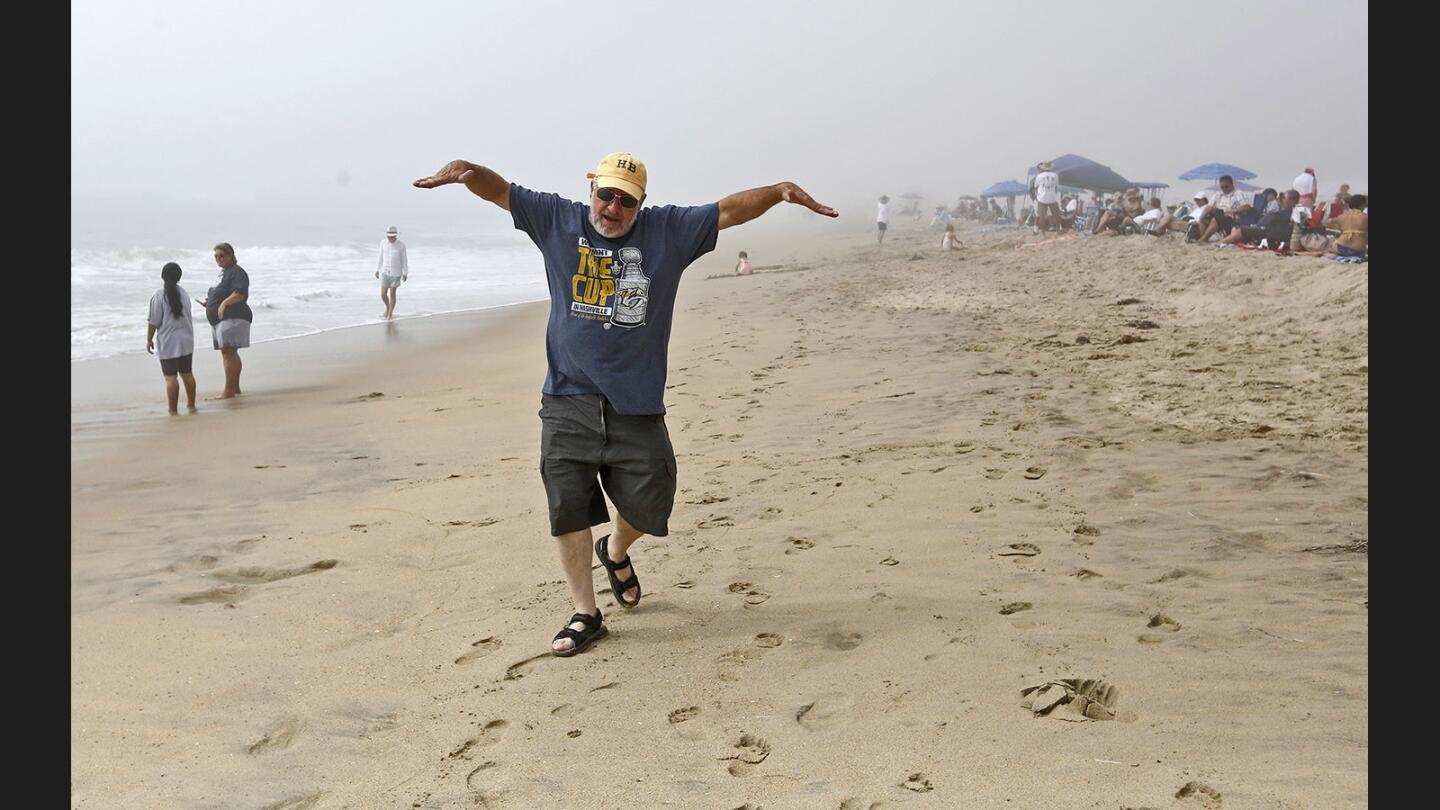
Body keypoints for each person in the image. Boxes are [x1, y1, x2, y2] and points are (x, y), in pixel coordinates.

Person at [413, 152, 838, 657]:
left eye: (626, 199)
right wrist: (465, 171)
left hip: (635, 400)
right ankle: (585, 613)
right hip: (567, 395)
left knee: (651, 501)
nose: (612, 207)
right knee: (567, 507)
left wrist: (779, 190)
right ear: (591, 188)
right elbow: (499, 190)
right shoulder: (557, 219)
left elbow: (726, 211)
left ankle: (615, 551)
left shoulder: (667, 232)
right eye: (605, 194)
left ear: (641, 203)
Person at [200, 242, 252, 400]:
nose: (219, 259)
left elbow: (240, 293)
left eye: (222, 255)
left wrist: (223, 303)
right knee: (229, 352)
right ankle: (234, 388)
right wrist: (210, 303)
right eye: (216, 256)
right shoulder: (224, 273)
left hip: (233, 316)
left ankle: (229, 391)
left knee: (229, 352)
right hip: (221, 319)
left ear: (231, 255)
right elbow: (222, 292)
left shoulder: (237, 272)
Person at [146, 262, 197, 415]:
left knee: (170, 378)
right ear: (179, 277)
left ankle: (173, 410)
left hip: (169, 341)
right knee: (187, 374)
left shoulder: (158, 295)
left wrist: (149, 339)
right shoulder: (184, 293)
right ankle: (191, 405)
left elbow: (154, 321)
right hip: (186, 339)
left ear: (162, 276)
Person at [1192, 176, 1250, 243]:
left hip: (1231, 218)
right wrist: (1202, 216)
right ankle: (1205, 240)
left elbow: (1246, 207)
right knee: (1203, 219)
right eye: (1222, 187)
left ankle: (1203, 239)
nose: (1224, 189)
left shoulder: (1239, 194)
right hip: (1218, 214)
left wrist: (1233, 211)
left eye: (1226, 186)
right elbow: (1209, 206)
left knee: (1216, 219)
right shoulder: (1218, 195)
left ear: (1232, 185)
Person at [375, 225, 409, 320]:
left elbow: (404, 260)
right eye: (389, 236)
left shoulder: (401, 245)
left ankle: (389, 315)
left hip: (396, 273)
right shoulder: (383, 243)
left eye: (392, 236)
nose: (390, 238)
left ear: (396, 236)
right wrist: (377, 269)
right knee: (383, 294)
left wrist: (405, 273)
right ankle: (388, 307)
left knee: (392, 294)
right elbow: (380, 257)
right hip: (385, 271)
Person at [1325, 194, 1368, 258]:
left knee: (1329, 251)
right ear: (1362, 205)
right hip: (1357, 251)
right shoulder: (1365, 217)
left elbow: (1340, 231)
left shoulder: (1341, 217)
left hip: (1342, 248)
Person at [1032, 161, 1062, 234]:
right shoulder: (1055, 175)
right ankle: (1058, 229)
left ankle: (1043, 232)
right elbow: (1056, 187)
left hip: (1042, 198)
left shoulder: (1039, 176)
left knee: (1041, 216)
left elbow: (1036, 187)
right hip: (1052, 197)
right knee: (1056, 214)